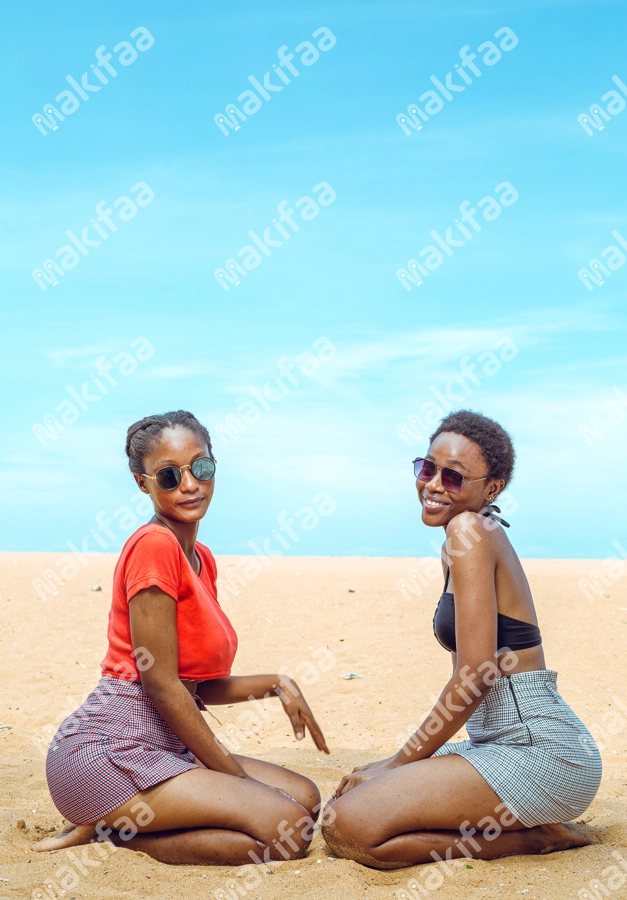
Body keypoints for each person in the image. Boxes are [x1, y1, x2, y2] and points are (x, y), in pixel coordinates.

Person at [35, 410, 329, 866]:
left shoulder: (201, 559)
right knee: (288, 829)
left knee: (305, 799)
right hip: (106, 753)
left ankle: (127, 823)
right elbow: (160, 685)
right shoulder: (153, 547)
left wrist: (277, 683)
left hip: (167, 744)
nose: (189, 485)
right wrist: (236, 779)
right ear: (143, 484)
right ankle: (113, 834)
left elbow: (196, 685)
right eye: (169, 476)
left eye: (202, 467)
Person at [322, 410, 601, 869]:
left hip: (542, 752)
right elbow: (467, 672)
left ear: (492, 489)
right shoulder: (465, 535)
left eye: (453, 477)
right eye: (427, 468)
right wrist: (398, 765)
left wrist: (397, 764)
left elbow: (475, 676)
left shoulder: (469, 530)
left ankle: (535, 839)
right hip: (498, 743)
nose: (433, 484)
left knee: (346, 825)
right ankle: (524, 824)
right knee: (361, 790)